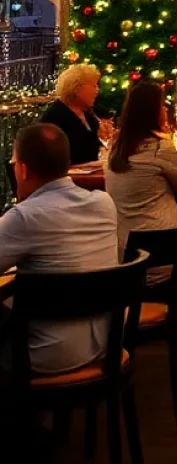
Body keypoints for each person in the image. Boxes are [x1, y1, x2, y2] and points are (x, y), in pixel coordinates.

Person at [0, 124, 118, 374]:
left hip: (42, 357)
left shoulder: (24, 217)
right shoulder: (105, 204)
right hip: (105, 345)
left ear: (22, 169)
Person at [103, 81, 177, 249]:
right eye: (161, 105)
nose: (165, 109)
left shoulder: (115, 147)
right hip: (161, 247)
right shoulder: (160, 147)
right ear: (152, 112)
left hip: (124, 250)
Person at [39, 64, 113, 166]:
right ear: (77, 88)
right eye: (94, 86)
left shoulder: (90, 114)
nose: (97, 90)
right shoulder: (55, 116)